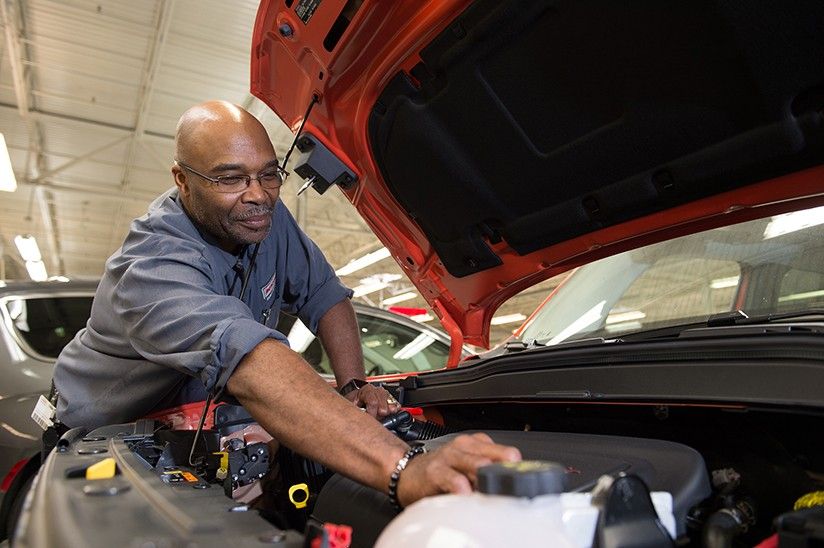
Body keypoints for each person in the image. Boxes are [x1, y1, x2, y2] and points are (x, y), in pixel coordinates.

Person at [53, 100, 520, 508]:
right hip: (108, 443)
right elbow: (250, 358)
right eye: (230, 178)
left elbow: (327, 298)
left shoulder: (264, 223)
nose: (258, 196)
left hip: (198, 427)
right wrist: (403, 469)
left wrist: (353, 384)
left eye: (269, 174)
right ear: (182, 180)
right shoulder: (155, 263)